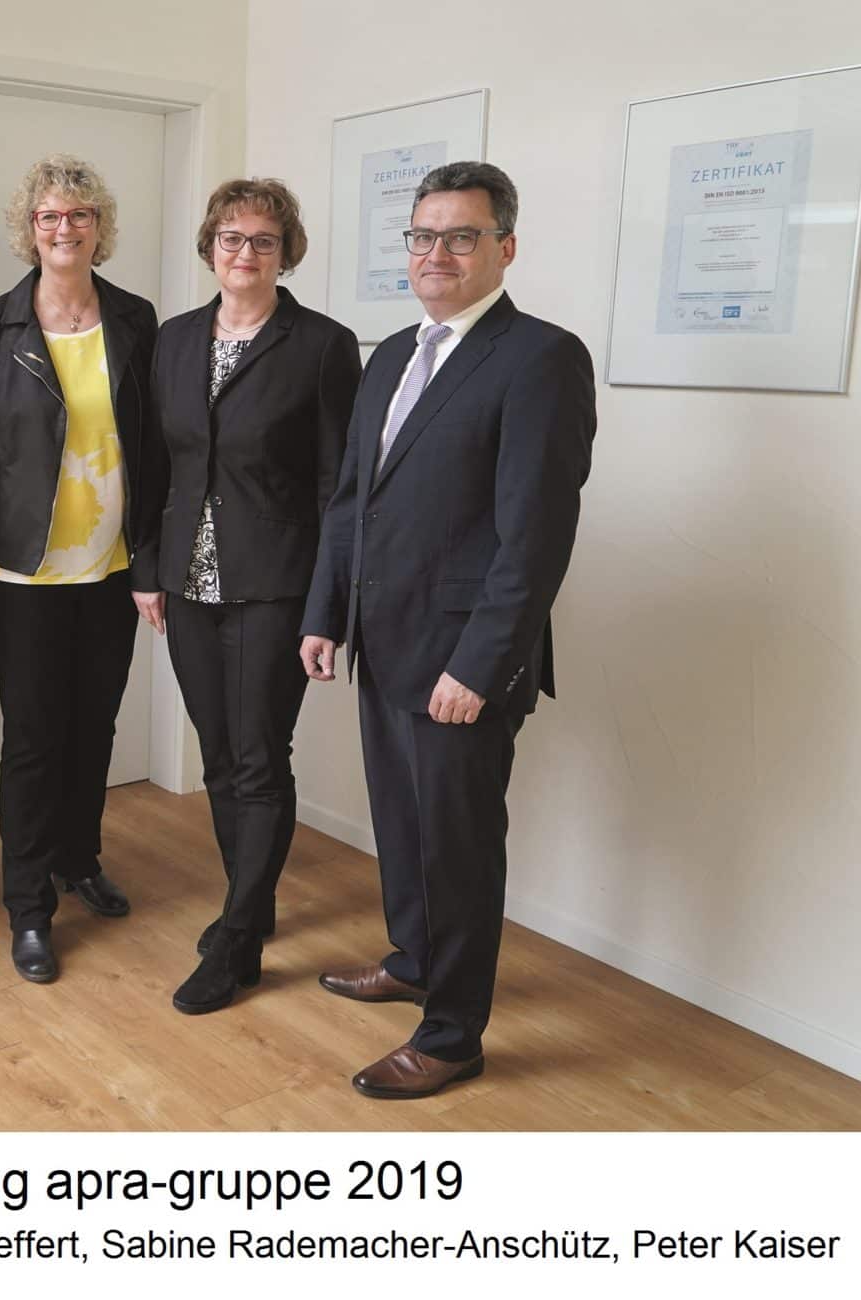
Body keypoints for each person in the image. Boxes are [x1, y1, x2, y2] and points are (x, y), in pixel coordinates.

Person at [302, 161, 596, 1099]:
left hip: (463, 657)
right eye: (423, 236)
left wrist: (480, 663)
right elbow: (352, 498)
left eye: (461, 237)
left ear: (504, 247)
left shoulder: (540, 357)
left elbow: (534, 537)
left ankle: (453, 1033)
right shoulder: (391, 352)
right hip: (382, 638)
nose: (437, 254)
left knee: (458, 848)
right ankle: (415, 960)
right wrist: (326, 613)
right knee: (402, 824)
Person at [138, 178, 360, 1014]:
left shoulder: (321, 345)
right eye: (231, 238)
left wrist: (327, 607)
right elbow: (155, 464)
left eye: (263, 240)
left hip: (277, 584)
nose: (245, 253)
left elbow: (339, 486)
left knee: (260, 755)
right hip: (188, 582)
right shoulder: (174, 339)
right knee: (219, 755)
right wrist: (147, 570)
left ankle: (237, 942)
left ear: (285, 253)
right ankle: (250, 903)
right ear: (210, 247)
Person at [0, 155, 160, 984]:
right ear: (28, 229)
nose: (64, 229)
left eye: (79, 215)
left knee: (94, 725)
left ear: (99, 228)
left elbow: (156, 446)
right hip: (22, 571)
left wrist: (152, 554)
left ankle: (79, 860)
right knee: (34, 738)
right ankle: (27, 906)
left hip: (112, 565)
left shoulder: (137, 319)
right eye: (49, 216)